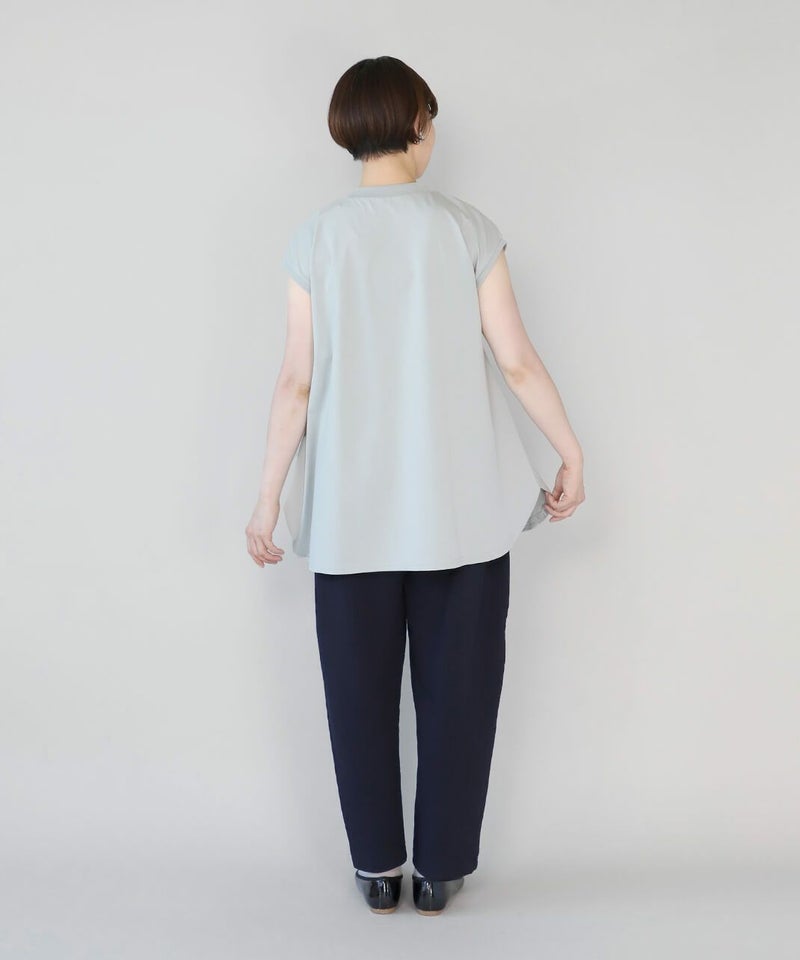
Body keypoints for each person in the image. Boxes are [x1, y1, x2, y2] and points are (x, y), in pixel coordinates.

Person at [245, 56, 585, 916]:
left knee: (355, 701)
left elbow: (295, 383)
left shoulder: (315, 239)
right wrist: (567, 450)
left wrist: (268, 498)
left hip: (349, 519)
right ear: (417, 125)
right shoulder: (467, 228)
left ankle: (375, 867)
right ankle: (440, 869)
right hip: (460, 513)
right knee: (460, 696)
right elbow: (515, 359)